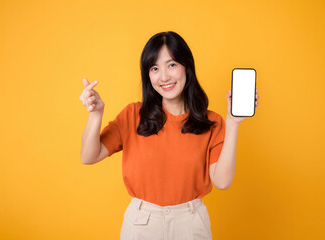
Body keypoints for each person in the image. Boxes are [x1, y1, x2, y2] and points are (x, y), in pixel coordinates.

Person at [79, 31, 259, 240]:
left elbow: (222, 181)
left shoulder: (213, 123)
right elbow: (88, 156)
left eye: (171, 65)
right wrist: (95, 114)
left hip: (191, 226)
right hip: (141, 225)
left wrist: (233, 123)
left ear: (186, 66)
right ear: (148, 75)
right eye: (154, 68)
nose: (163, 76)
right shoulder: (132, 115)